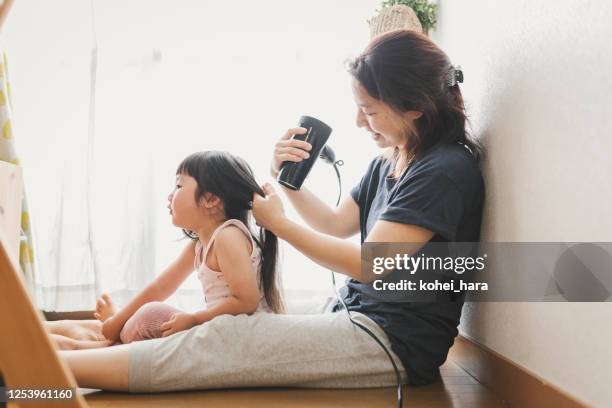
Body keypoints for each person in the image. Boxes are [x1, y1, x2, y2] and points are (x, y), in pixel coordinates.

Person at [58, 29, 484, 391]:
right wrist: (285, 180)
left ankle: (46, 372)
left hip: (393, 340)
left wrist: (279, 223)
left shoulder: (443, 171)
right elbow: (335, 224)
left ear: (415, 107)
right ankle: (76, 349)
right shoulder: (390, 161)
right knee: (220, 328)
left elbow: (370, 265)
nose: (358, 122)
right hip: (352, 312)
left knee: (225, 339)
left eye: (369, 111)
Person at [49, 151, 282, 350]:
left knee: (152, 316)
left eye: (179, 185)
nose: (170, 195)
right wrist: (118, 321)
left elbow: (247, 301)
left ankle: (102, 347)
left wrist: (193, 319)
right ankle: (114, 334)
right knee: (151, 314)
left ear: (210, 199)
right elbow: (160, 287)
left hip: (241, 335)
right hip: (219, 327)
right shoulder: (201, 243)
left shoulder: (229, 236)